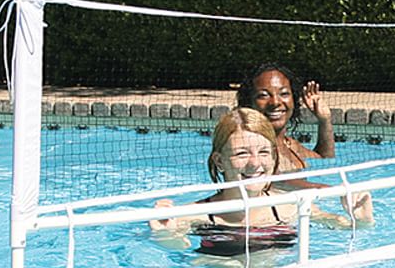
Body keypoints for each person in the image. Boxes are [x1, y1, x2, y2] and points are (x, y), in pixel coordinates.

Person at [150, 108, 371, 254]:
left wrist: (361, 219)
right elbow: (177, 251)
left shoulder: (290, 206)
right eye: (242, 153)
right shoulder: (193, 215)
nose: (255, 164)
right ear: (219, 161)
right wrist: (164, 234)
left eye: (264, 152)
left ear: (274, 157)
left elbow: (350, 230)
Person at [235, 64, 335, 175]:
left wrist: (324, 120)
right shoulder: (255, 149)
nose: (275, 102)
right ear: (249, 102)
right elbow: (280, 182)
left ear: (293, 99)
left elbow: (324, 161)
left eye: (284, 94)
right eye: (263, 95)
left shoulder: (288, 144)